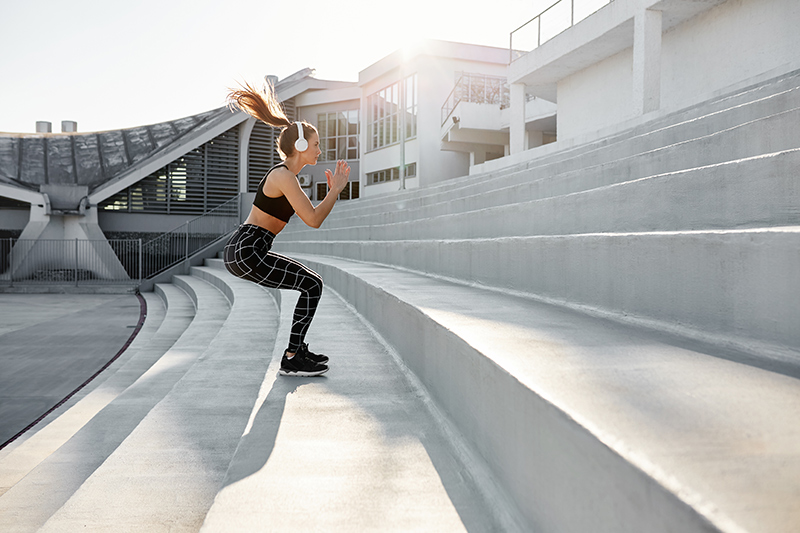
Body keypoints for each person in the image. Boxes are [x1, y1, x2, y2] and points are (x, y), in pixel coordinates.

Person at [224, 81, 350, 377]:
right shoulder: (284, 176)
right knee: (312, 284)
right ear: (301, 146)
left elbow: (312, 216)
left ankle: (295, 352)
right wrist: (335, 191)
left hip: (248, 248)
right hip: (248, 249)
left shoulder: (287, 177)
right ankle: (293, 356)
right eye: (316, 144)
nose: (320, 150)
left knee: (311, 284)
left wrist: (333, 192)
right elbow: (314, 220)